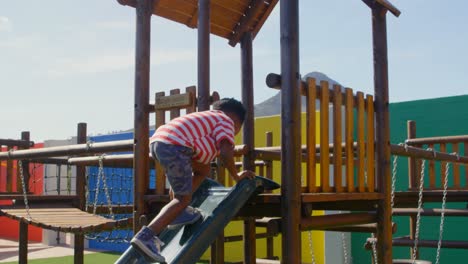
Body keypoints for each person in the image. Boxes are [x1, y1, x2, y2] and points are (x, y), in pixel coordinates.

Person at [131, 98, 256, 262]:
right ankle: (146, 236)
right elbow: (226, 152)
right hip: (175, 146)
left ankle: (179, 212)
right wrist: (237, 176)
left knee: (203, 169)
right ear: (236, 121)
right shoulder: (226, 121)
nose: (233, 134)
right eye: (237, 130)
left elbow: (202, 160)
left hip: (159, 142)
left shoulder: (206, 119)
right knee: (183, 198)